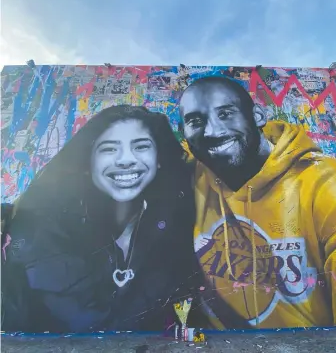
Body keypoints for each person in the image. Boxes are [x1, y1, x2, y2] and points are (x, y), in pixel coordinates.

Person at [179, 75, 336, 329]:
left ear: (258, 116)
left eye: (225, 114)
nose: (211, 131)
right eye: (195, 121)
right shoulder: (191, 174)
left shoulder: (330, 186)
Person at [1, 105, 202, 333]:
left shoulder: (167, 218)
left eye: (141, 146)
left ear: (159, 159)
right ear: (88, 161)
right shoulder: (45, 226)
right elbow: (87, 324)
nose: (126, 160)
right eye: (109, 149)